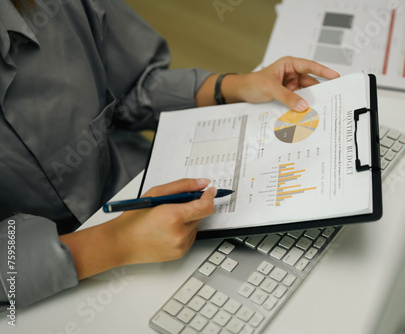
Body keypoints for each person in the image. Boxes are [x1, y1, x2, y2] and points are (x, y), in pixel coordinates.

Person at [0, 0, 339, 308]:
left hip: (145, 191)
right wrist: (112, 244)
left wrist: (232, 88)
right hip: (40, 302)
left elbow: (133, 88)